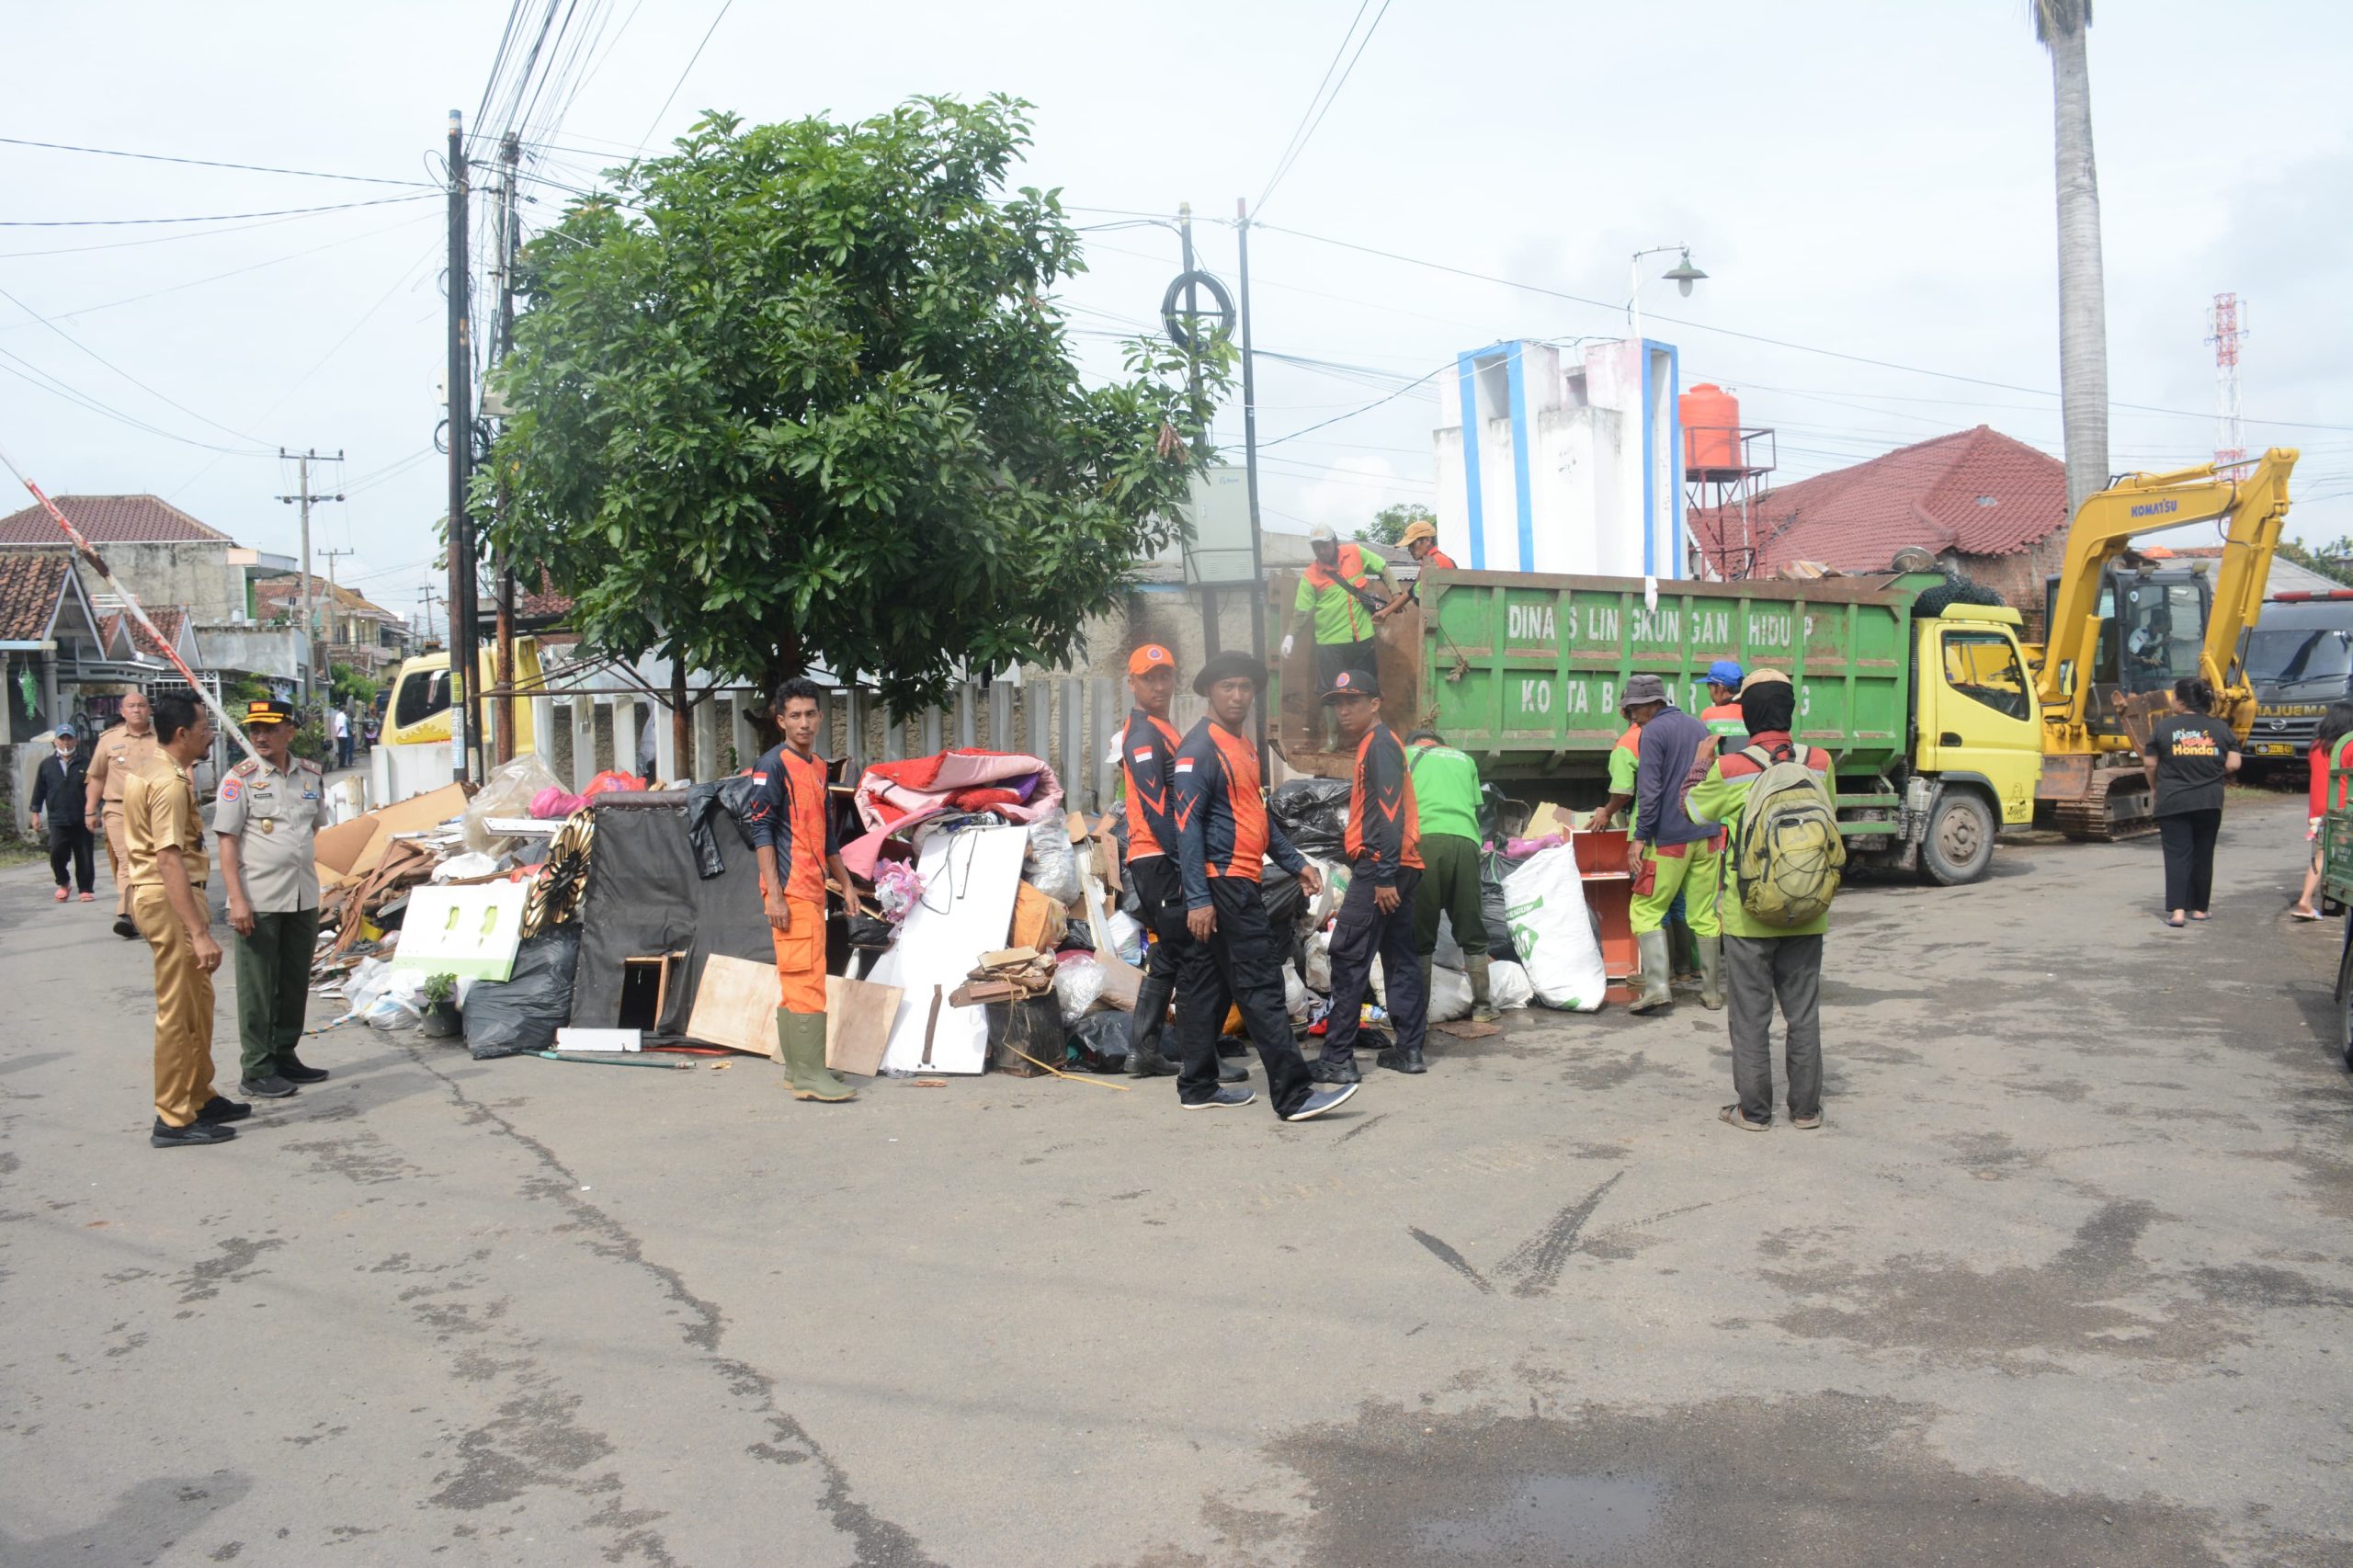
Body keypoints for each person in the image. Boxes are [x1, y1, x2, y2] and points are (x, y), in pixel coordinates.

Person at [1172, 650, 1357, 1121]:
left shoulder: (1243, 745)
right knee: (1261, 987)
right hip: (1223, 885)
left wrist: (1295, 862)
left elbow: (1258, 816)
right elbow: (1187, 828)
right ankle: (1294, 1096)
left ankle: (1196, 1085)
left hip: (1238, 881)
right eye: (1227, 687)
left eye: (1245, 687)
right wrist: (1197, 897)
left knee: (1209, 988)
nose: (1237, 695)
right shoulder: (1199, 749)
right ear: (1210, 693)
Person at [1687, 671, 1836, 1131]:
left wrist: (1699, 762)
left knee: (1751, 1017)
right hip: (1809, 909)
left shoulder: (1733, 768)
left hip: (1748, 913)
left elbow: (1691, 810)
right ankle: (1806, 1110)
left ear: (1748, 714)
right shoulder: (1820, 761)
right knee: (1803, 1013)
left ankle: (1754, 1113)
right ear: (1790, 711)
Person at [1116, 645, 1242, 1085]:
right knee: (1196, 954)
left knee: (1170, 953)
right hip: (1159, 858)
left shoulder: (1162, 728)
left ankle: (1143, 1052)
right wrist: (1194, 869)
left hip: (1158, 860)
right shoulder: (1143, 736)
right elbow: (1157, 812)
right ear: (1131, 683)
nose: (1159, 685)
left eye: (1165, 676)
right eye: (1149, 678)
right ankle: (1198, 1060)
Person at [125, 692, 240, 1147]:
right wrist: (198, 930)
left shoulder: (157, 769)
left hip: (167, 895)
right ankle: (173, 1116)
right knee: (177, 1010)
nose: (209, 734)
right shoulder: (169, 783)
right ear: (182, 734)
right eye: (204, 727)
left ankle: (198, 1094)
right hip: (169, 897)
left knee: (198, 1003)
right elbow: (169, 858)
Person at [745, 677, 865, 1103]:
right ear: (780, 721)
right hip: (790, 889)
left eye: (810, 714)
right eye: (794, 715)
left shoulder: (816, 767)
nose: (804, 723)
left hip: (814, 888)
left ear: (819, 717)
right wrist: (774, 895)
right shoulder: (772, 765)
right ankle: (811, 1074)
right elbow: (760, 830)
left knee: (798, 979)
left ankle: (798, 1071)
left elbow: (827, 836)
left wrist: (846, 885)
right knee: (807, 980)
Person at [215, 699, 333, 1100]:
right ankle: (257, 1067)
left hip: (302, 895)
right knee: (258, 986)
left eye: (269, 728)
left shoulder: (311, 775)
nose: (260, 736)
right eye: (254, 730)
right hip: (259, 898)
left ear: (290, 731)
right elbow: (227, 843)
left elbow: (312, 830)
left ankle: (284, 1053)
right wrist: (237, 900)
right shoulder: (240, 779)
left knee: (294, 980)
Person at [1314, 670, 1427, 1080]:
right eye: (1338, 703)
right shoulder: (1377, 744)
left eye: (1354, 701)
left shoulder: (1379, 745)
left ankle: (1337, 1059)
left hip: (1383, 865)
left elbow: (1389, 815)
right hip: (1401, 864)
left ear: (1375, 704)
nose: (1343, 710)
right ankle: (1410, 1050)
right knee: (1399, 958)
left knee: (1349, 955)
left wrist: (1382, 875)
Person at [1622, 674, 1722, 1013]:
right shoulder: (1698, 727)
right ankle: (1710, 992)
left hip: (1669, 840)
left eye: (1635, 709)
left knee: (1646, 909)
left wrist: (1639, 837)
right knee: (1704, 913)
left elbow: (1649, 791)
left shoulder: (1653, 733)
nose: (1634, 717)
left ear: (1652, 703)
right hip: (1707, 835)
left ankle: (1657, 987)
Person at [1280, 523, 1401, 748]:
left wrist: (1396, 593)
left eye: (1324, 545)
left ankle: (1371, 736)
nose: (1321, 551)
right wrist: (1290, 636)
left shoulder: (1355, 552)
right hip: (1329, 641)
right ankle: (1332, 739)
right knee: (1328, 690)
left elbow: (1382, 566)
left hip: (1361, 636)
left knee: (1368, 687)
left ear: (1334, 542)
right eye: (1316, 547)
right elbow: (1302, 611)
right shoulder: (1310, 575)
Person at [1405, 727, 1497, 1023]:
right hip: (1467, 843)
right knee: (1471, 923)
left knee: (1422, 929)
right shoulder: (1464, 760)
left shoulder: (1405, 755)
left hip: (1426, 841)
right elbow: (1477, 808)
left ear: (1415, 743)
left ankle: (1418, 1016)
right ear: (1440, 743)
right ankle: (1483, 1008)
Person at [2143, 675, 2242, 928]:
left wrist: (2154, 787)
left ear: (2182, 700)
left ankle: (2177, 912)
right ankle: (2200, 909)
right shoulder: (2220, 728)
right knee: (2203, 854)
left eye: (2174, 695)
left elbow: (2150, 763)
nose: (2172, 700)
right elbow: (2233, 763)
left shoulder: (2164, 728)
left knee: (2177, 856)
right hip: (2209, 800)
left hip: (2173, 799)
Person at [85, 690, 160, 939]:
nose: (137, 710)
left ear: (149, 710)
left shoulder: (163, 738)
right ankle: (126, 914)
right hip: (118, 809)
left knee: (155, 860)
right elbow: (96, 777)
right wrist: (89, 811)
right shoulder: (108, 740)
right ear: (122, 711)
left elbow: (182, 770)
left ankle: (153, 912)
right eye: (131, 706)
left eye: (141, 705)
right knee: (127, 861)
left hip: (155, 808)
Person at [2290, 702, 2353, 920]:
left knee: (2322, 855)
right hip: (2342, 808)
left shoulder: (2316, 746)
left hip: (2318, 810)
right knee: (2339, 857)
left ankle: (2308, 900)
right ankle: (2312, 900)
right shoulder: (2349, 746)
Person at [30, 725, 95, 903]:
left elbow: (95, 788)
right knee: (57, 852)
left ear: (76, 740)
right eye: (62, 739)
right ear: (55, 741)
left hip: (81, 817)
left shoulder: (86, 763)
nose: (66, 742)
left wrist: (95, 812)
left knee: (84, 855)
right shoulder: (46, 765)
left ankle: (85, 889)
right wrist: (35, 813)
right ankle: (63, 882)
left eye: (69, 738)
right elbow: (39, 791)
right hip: (57, 818)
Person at [1376, 517, 1456, 619]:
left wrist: (1388, 610)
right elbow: (1411, 591)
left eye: (1413, 544)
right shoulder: (1428, 563)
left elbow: (1415, 593)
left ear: (1427, 540)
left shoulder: (1438, 562)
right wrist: (1386, 611)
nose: (1410, 549)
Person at [1700, 661, 1747, 742]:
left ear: (1719, 688)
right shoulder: (1753, 711)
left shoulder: (1708, 714)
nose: (1710, 694)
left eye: (1710, 688)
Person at [331, 703, 353, 769]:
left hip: (339, 736)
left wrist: (336, 733)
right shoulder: (343, 716)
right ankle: (342, 764)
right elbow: (341, 726)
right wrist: (337, 733)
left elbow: (336, 725)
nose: (346, 710)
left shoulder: (337, 715)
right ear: (343, 709)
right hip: (343, 735)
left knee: (340, 750)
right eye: (345, 709)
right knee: (343, 750)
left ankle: (341, 763)